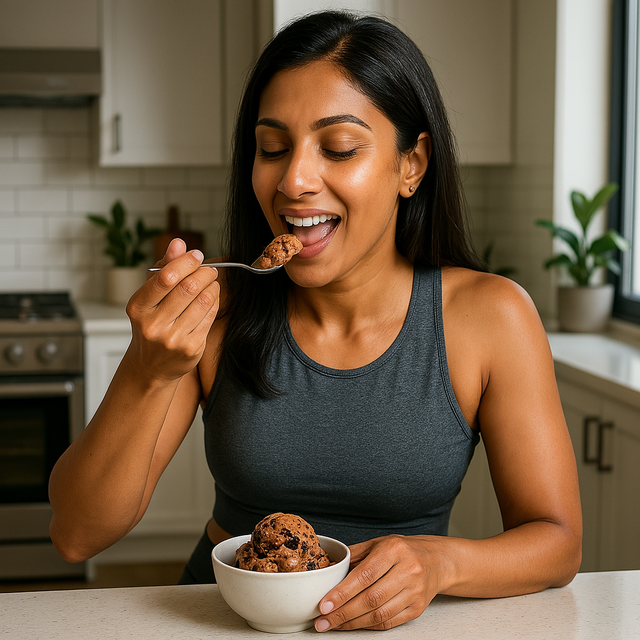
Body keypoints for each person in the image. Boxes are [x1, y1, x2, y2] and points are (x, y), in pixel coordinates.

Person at [49, 10, 582, 632]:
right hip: (224, 622)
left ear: (411, 164)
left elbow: (558, 542)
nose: (294, 180)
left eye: (340, 148)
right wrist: (148, 369)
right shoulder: (218, 312)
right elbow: (76, 534)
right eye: (272, 147)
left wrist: (441, 564)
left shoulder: (491, 317)